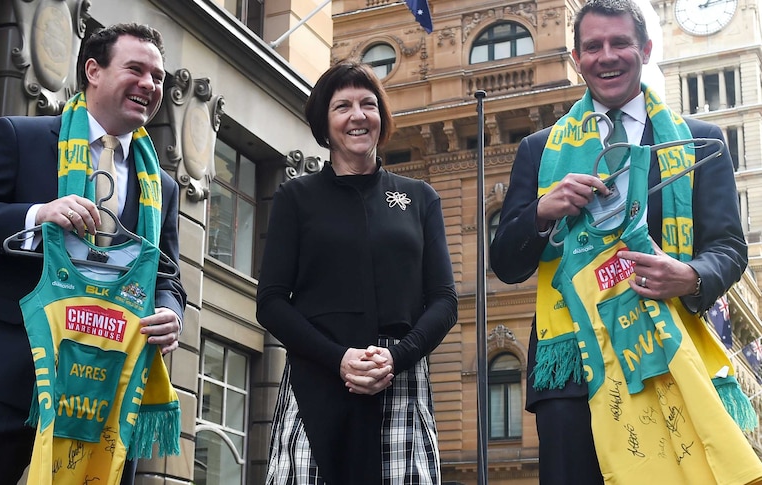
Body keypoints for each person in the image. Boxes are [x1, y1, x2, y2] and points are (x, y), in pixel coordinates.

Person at [491, 1, 761, 484]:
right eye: (592, 46)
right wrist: (541, 211)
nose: (606, 56)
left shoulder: (700, 143)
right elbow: (506, 263)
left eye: (620, 43)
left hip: (668, 352)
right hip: (571, 371)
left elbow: (728, 248)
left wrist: (691, 275)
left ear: (646, 50)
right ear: (577, 58)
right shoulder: (539, 149)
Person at [0, 23, 186, 485]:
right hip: (5, 374)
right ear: (93, 70)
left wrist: (170, 312)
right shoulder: (19, 137)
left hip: (103, 389)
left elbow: (167, 276)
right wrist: (35, 215)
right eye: (136, 69)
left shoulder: (163, 187)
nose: (150, 85)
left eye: (159, 76)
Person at [256, 60, 457, 484]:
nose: (358, 115)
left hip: (397, 377)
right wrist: (339, 359)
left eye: (369, 104)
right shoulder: (296, 197)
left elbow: (444, 300)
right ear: (324, 124)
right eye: (342, 106)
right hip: (318, 373)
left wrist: (396, 358)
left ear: (381, 119)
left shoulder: (420, 198)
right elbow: (272, 302)